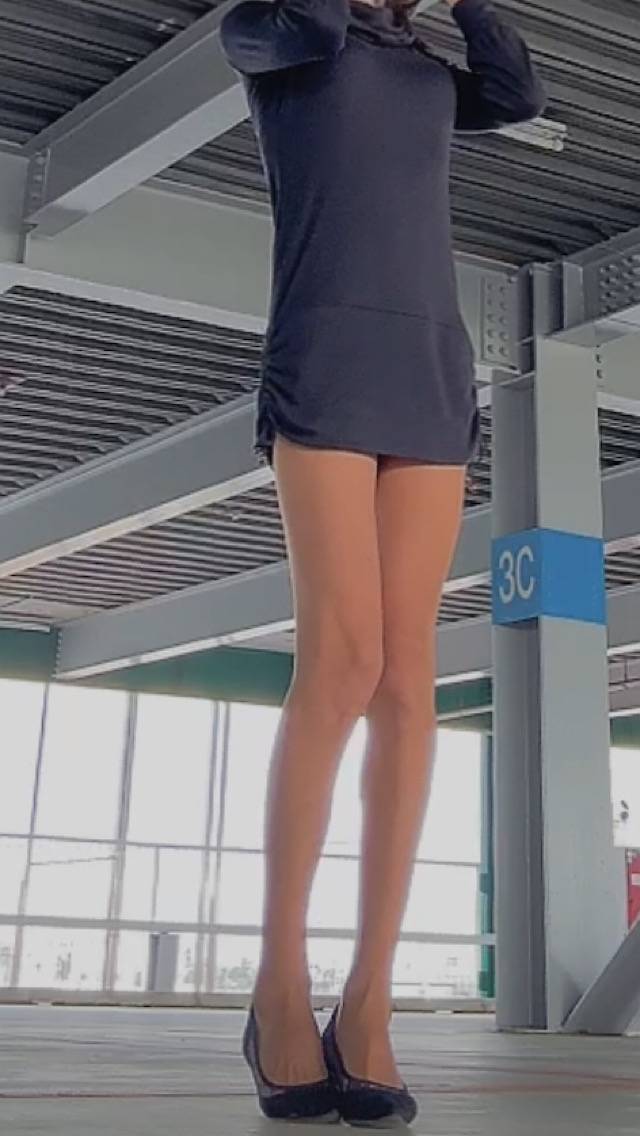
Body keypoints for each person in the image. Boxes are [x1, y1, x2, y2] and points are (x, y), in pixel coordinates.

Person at [220, 0, 546, 1125]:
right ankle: (277, 987)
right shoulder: (276, 32)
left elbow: (517, 92)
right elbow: (311, 23)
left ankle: (367, 1001)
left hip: (430, 362)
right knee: (343, 661)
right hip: (324, 348)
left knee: (410, 679)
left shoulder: (427, 68)